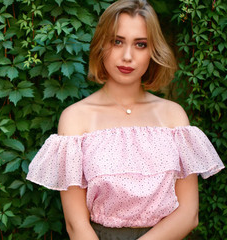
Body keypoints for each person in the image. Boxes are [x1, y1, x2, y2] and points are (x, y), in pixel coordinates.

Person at [26, 0, 225, 239]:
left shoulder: (173, 116)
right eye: (117, 42)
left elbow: (189, 214)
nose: (127, 56)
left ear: (153, 51)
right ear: (101, 45)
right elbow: (75, 225)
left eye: (140, 44)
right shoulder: (76, 118)